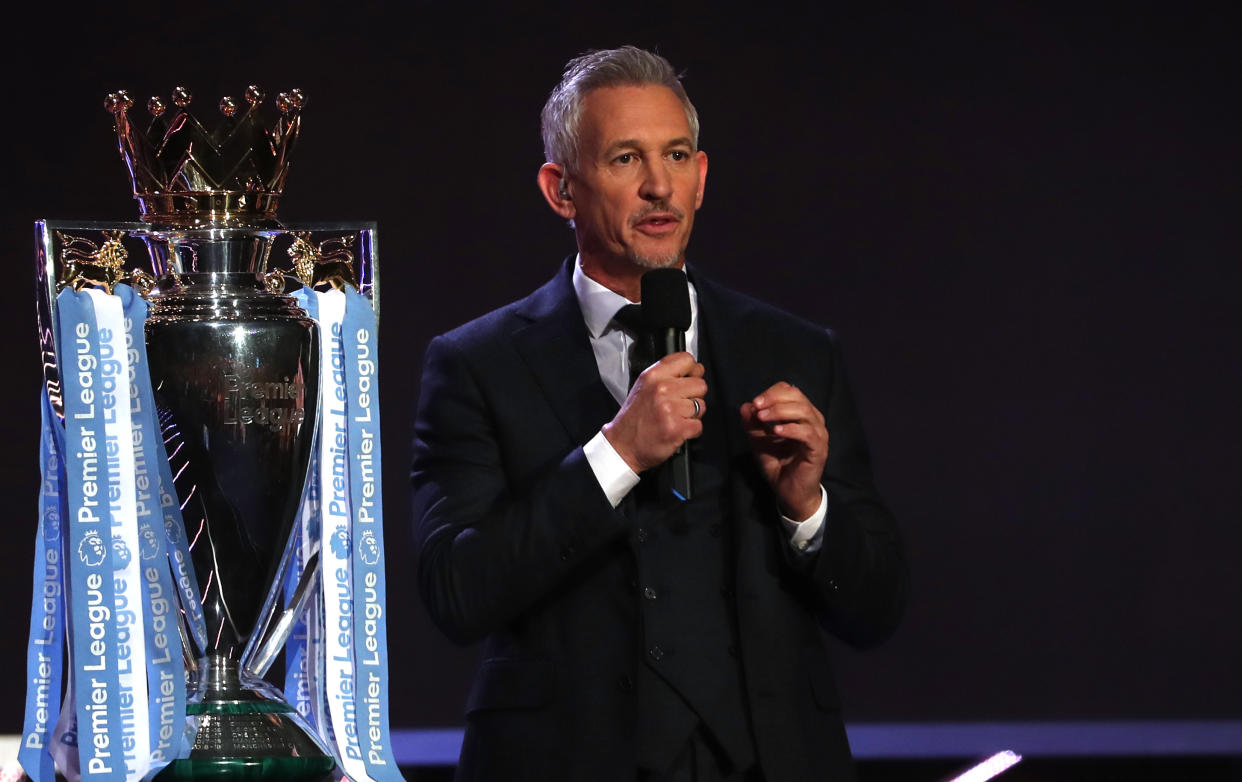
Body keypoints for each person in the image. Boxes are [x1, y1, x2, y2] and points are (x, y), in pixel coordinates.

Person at [411, 46, 907, 781]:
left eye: (676, 155)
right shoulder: (476, 363)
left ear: (701, 179)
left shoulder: (796, 351)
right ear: (561, 190)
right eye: (623, 159)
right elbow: (457, 590)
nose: (657, 186)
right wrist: (614, 456)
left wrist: (808, 509)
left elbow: (875, 610)